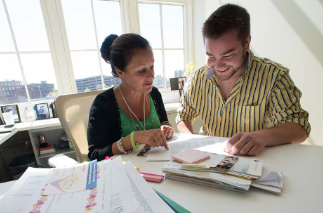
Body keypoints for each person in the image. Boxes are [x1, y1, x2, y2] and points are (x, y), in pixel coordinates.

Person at [176, 4, 311, 156]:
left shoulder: (274, 77)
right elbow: (183, 116)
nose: (218, 66)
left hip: (257, 164)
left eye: (227, 56)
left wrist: (262, 136)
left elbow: (300, 128)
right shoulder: (196, 80)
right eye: (211, 56)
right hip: (210, 164)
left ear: (246, 43)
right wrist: (190, 144)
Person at [88, 33, 175, 161]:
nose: (151, 76)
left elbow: (163, 122)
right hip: (124, 175)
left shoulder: (154, 94)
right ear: (120, 72)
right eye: (141, 71)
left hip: (158, 170)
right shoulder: (103, 104)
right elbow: (95, 155)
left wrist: (165, 128)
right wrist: (132, 139)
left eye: (152, 67)